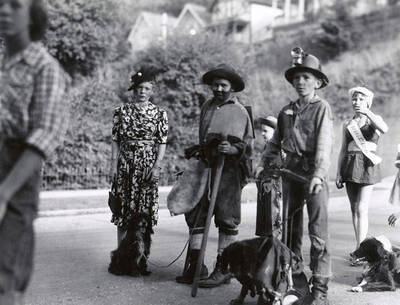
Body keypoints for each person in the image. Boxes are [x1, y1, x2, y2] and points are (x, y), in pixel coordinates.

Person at [0, 0, 70, 304]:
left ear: (33, 17)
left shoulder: (45, 68)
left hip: (15, 179)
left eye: (15, 5)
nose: (4, 10)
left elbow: (45, 135)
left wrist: (4, 194)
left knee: (5, 277)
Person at [259, 47, 333, 305]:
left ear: (318, 82)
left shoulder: (321, 108)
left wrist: (318, 175)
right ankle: (294, 283)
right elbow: (274, 143)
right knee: (288, 231)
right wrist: (264, 165)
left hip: (313, 175)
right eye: (297, 78)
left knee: (318, 232)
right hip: (289, 174)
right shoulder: (286, 111)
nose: (301, 82)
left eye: (307, 78)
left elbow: (325, 144)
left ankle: (320, 289)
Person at [175, 64, 254, 287]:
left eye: (223, 85)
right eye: (215, 85)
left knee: (226, 218)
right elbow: (204, 138)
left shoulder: (239, 110)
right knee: (197, 214)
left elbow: (247, 144)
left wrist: (233, 149)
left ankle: (225, 268)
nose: (218, 88)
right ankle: (196, 266)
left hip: (229, 172)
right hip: (206, 167)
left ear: (232, 88)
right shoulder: (207, 106)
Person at [110, 67, 168, 250]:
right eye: (140, 88)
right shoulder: (121, 112)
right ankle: (121, 254)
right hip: (125, 166)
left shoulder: (160, 114)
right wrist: (113, 166)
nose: (143, 92)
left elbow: (162, 142)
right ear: (134, 89)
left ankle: (140, 255)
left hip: (147, 166)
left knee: (143, 212)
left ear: (152, 91)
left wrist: (156, 167)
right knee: (123, 209)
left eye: (147, 88)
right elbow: (115, 140)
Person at [336, 87, 388, 261]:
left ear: (367, 101)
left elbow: (384, 129)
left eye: (360, 99)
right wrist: (338, 173)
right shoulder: (348, 123)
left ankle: (361, 251)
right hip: (350, 164)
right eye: (354, 99)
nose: (356, 102)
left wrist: (368, 112)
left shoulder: (375, 119)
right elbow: (343, 149)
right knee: (353, 209)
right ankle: (359, 247)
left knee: (361, 208)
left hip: (367, 164)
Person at [254, 116, 282, 238]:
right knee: (265, 222)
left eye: (266, 131)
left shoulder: (280, 148)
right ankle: (267, 246)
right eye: (262, 130)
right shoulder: (267, 147)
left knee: (275, 220)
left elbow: (280, 168)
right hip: (266, 188)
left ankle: (276, 248)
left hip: (275, 189)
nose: (262, 134)